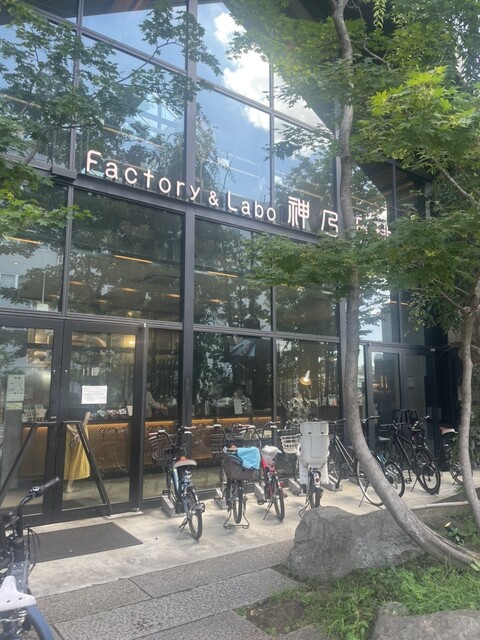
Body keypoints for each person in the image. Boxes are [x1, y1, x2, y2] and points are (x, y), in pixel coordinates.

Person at [64, 412, 91, 493]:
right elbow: (86, 417)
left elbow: (61, 418)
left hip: (66, 430)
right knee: (77, 458)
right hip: (81, 428)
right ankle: (69, 486)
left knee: (65, 458)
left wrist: (72, 431)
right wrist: (80, 432)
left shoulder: (65, 404)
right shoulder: (86, 403)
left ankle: (62, 483)